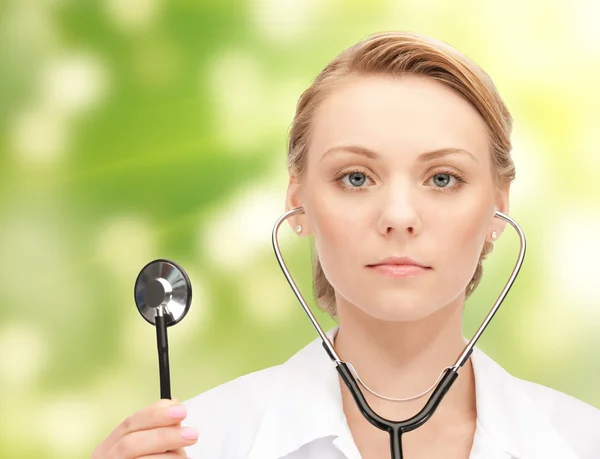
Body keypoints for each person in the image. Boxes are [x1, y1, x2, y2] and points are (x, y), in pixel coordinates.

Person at [92, 32, 600, 459]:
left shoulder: (583, 442)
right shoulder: (201, 442)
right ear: (299, 202)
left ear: (499, 206)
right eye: (356, 177)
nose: (399, 217)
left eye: (443, 179)